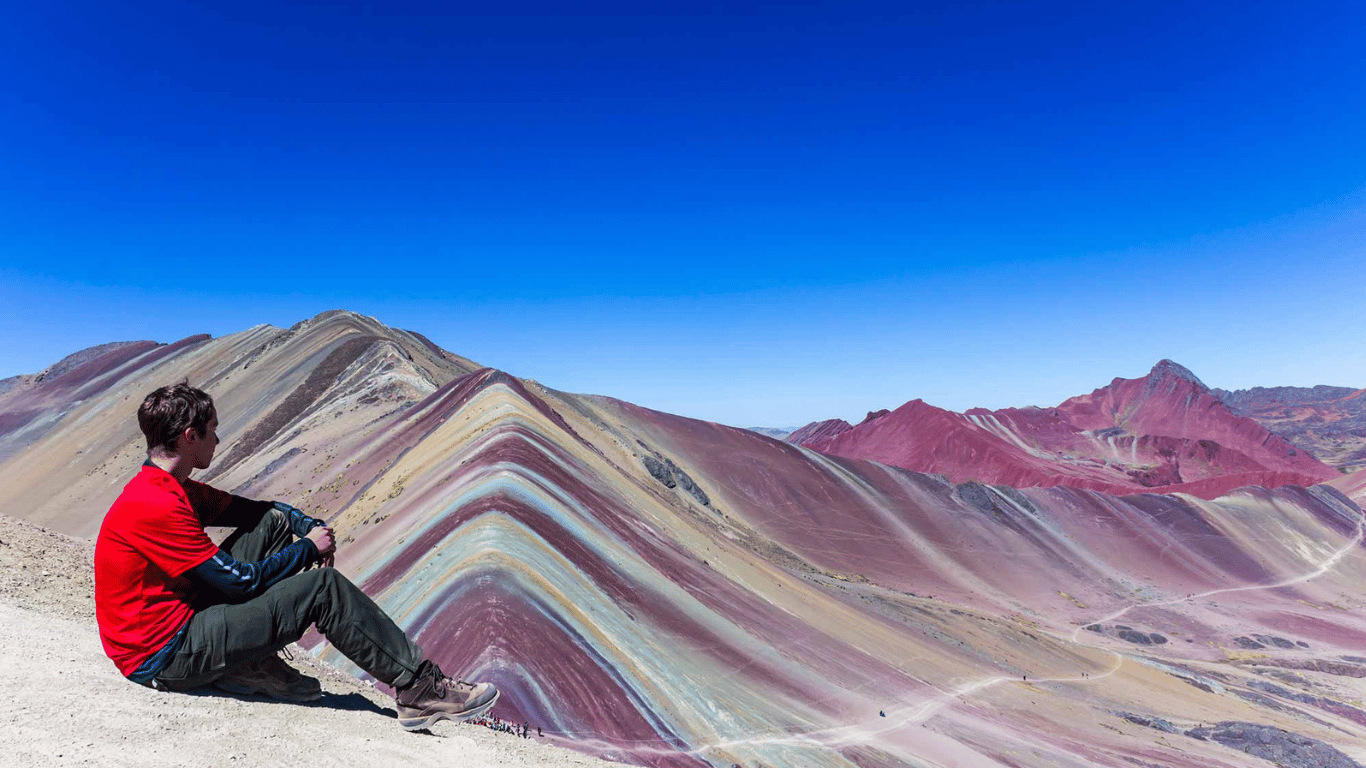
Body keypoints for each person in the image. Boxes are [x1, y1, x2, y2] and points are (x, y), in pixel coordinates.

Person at [93, 382, 498, 730]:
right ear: (189, 435)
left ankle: (247, 660)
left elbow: (262, 512)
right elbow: (239, 581)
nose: (218, 440)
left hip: (179, 620)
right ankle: (420, 689)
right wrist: (309, 547)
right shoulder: (157, 505)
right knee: (323, 589)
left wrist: (305, 525)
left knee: (270, 522)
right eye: (212, 431)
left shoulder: (172, 488)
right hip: (163, 653)